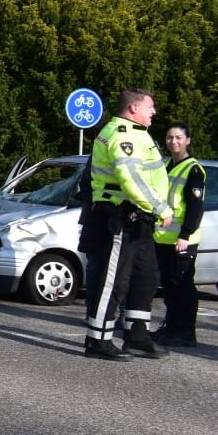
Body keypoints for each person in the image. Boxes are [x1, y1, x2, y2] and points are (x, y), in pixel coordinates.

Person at [79, 89, 172, 360]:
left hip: (139, 217)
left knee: (146, 276)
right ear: (133, 108)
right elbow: (131, 178)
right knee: (114, 281)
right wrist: (160, 208)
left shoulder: (137, 132)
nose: (154, 112)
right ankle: (98, 341)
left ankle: (137, 336)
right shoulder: (122, 135)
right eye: (150, 107)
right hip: (120, 215)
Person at [153, 123, 207, 347]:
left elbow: (195, 208)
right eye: (169, 137)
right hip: (163, 238)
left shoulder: (193, 170)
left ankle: (185, 332)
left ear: (188, 140)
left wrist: (184, 235)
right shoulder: (167, 166)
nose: (173, 141)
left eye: (178, 137)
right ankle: (171, 327)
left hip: (182, 240)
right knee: (169, 287)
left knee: (183, 286)